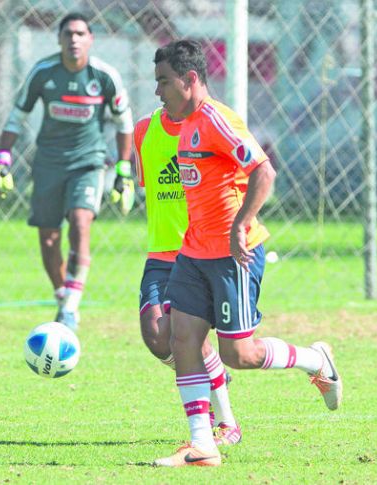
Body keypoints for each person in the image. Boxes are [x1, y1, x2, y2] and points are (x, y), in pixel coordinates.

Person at [150, 40, 343, 468]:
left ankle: (316, 359)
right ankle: (202, 445)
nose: (159, 91)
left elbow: (263, 170)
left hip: (232, 257)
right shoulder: (181, 123)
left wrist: (241, 224)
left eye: (164, 81)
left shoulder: (218, 120)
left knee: (241, 355)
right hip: (194, 253)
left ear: (190, 79)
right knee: (182, 339)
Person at [0, 12, 135, 330]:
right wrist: (2, 159)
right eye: (68, 34)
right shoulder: (43, 73)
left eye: (81, 34)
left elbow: (124, 124)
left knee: (80, 221)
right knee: (49, 238)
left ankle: (70, 307)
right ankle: (62, 296)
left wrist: (123, 170)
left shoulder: (105, 76)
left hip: (89, 162)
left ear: (90, 40)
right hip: (49, 162)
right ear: (59, 40)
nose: (74, 39)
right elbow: (16, 118)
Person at [133, 106, 241, 446]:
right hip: (161, 253)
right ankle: (214, 375)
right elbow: (152, 187)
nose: (160, 91)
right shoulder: (144, 131)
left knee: (188, 336)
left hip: (199, 252)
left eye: (165, 81)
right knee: (155, 335)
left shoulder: (209, 128)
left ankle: (225, 423)